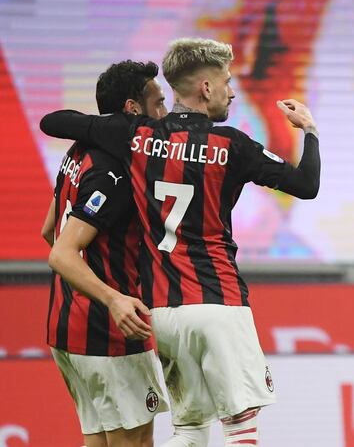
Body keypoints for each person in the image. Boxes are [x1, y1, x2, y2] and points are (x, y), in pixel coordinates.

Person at [40, 37, 321, 446]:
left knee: (189, 430)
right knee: (241, 426)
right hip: (219, 302)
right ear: (206, 88)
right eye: (226, 80)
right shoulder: (233, 144)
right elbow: (306, 184)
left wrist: (101, 131)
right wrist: (309, 130)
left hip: (164, 312)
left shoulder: (134, 135)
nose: (232, 89)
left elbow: (54, 122)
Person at [44, 60, 169, 447]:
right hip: (110, 334)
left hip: (67, 326)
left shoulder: (77, 152)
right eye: (159, 103)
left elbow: (49, 230)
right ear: (133, 109)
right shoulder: (115, 171)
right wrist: (112, 298)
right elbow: (62, 252)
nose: (164, 113)